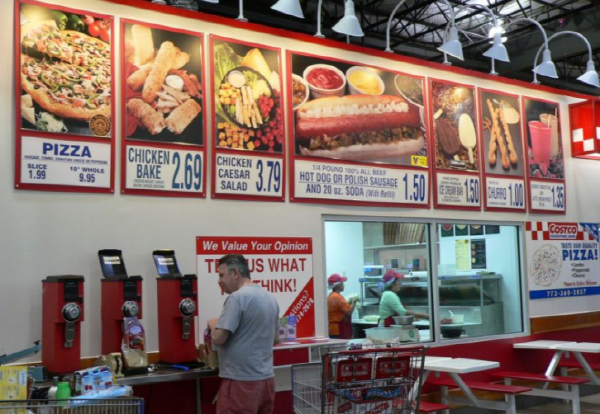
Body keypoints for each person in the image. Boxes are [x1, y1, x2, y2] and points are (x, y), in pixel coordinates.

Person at [207, 254, 279, 414]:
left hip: (241, 382)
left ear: (235, 273)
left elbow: (219, 338)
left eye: (222, 275)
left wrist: (213, 325)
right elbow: (275, 339)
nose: (219, 280)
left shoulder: (237, 298)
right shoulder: (269, 298)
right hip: (266, 381)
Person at [327, 273, 358, 339]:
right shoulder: (338, 297)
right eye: (342, 283)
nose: (343, 285)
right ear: (337, 285)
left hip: (332, 329)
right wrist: (354, 301)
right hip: (338, 330)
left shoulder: (331, 296)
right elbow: (349, 312)